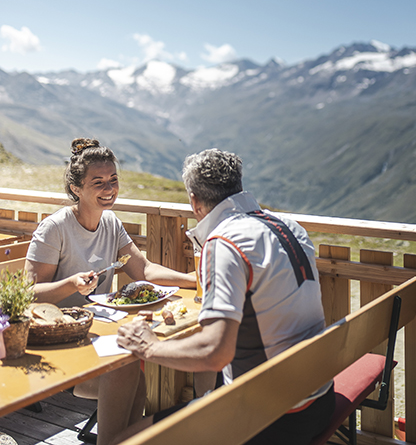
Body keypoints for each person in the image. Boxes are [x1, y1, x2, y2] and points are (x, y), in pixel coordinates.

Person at [116, 148, 335, 445]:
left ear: (194, 201)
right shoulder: (289, 227)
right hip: (319, 400)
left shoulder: (226, 242)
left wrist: (149, 347)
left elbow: (215, 352)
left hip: (268, 417)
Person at [24, 137, 196, 445]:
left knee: (136, 377)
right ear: (76, 188)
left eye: (113, 180)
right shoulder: (54, 229)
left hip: (96, 334)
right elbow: (28, 295)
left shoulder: (111, 223)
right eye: (98, 182)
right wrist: (69, 284)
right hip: (55, 345)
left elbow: (143, 270)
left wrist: (193, 279)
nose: (109, 189)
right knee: (126, 370)